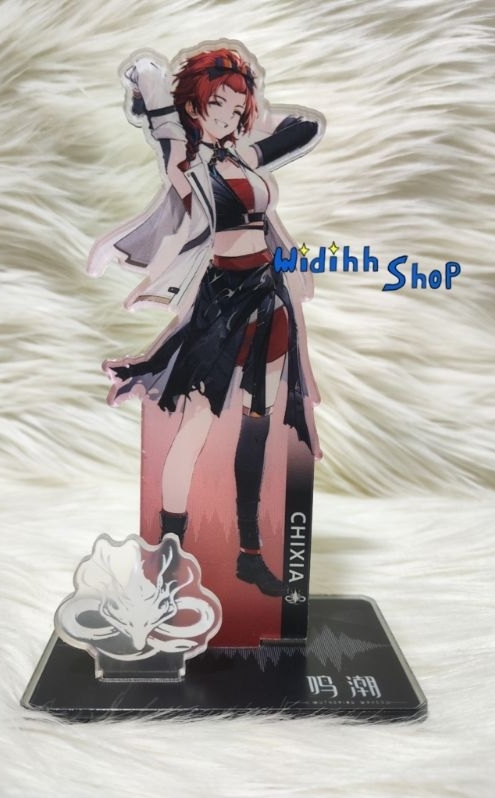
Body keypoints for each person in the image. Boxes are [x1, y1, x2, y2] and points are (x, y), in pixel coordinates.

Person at [88, 45, 323, 597]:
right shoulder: (187, 161)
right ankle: (169, 557)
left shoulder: (244, 157)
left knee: (258, 421)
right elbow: (165, 131)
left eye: (236, 108)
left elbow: (308, 127)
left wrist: (252, 125)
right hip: (221, 300)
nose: (227, 116)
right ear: (195, 105)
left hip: (269, 297)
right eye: (217, 104)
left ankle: (249, 555)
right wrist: (160, 95)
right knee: (195, 423)